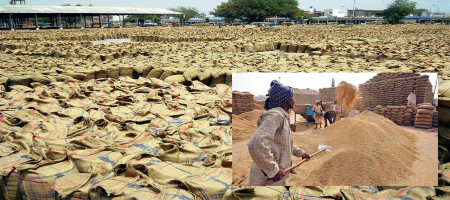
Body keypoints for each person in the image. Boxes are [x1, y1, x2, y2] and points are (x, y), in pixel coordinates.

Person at [247, 80, 310, 186]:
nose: (293, 100)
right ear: (285, 99)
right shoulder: (275, 115)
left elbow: (285, 143)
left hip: (277, 178)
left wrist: (301, 153)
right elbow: (255, 143)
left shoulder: (283, 116)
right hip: (266, 179)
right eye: (292, 97)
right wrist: (273, 170)